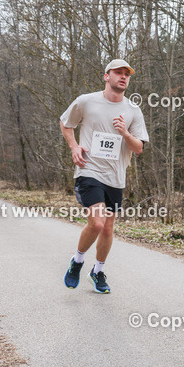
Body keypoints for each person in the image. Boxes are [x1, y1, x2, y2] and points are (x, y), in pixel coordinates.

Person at [59, 58, 149, 294]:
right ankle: (77, 262)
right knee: (97, 223)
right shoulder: (86, 101)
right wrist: (74, 147)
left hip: (116, 176)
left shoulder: (132, 110)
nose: (123, 77)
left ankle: (97, 271)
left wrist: (124, 133)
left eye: (127, 74)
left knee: (108, 229)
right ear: (106, 76)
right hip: (89, 170)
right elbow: (65, 122)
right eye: (118, 72)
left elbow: (138, 148)